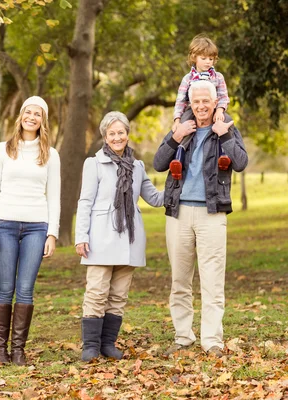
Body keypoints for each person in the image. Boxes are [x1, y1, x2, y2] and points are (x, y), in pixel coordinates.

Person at [153, 80, 248, 358]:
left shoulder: (226, 127)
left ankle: (212, 341)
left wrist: (225, 136)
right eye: (196, 102)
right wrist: (176, 136)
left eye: (206, 101)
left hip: (212, 212)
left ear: (215, 101)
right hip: (178, 213)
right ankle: (183, 337)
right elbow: (159, 163)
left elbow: (241, 163)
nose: (202, 106)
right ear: (190, 104)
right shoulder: (182, 127)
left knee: (212, 280)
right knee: (180, 281)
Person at [75, 111, 164, 362]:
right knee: (96, 292)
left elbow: (155, 198)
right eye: (112, 133)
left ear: (127, 134)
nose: (117, 137)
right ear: (105, 136)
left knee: (118, 296)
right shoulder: (94, 164)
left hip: (129, 239)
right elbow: (85, 202)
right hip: (101, 237)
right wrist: (81, 236)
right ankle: (90, 346)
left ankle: (108, 344)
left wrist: (179, 183)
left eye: (121, 132)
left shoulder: (137, 166)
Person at [0, 95, 61, 366]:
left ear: (43, 120)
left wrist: (52, 233)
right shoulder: (2, 150)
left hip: (36, 227)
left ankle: (18, 351)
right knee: (5, 289)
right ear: (21, 116)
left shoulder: (51, 155)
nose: (32, 117)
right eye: (28, 112)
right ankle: (0, 352)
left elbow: (55, 197)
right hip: (4, 224)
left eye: (38, 113)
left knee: (25, 289)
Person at [170, 34, 231, 180]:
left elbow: (223, 96)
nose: (208, 62)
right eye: (204, 58)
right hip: (192, 110)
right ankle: (178, 157)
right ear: (194, 57)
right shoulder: (188, 78)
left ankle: (223, 155)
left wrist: (220, 110)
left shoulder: (218, 77)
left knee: (224, 123)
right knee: (185, 127)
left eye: (211, 59)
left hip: (214, 109)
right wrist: (177, 119)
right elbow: (180, 100)